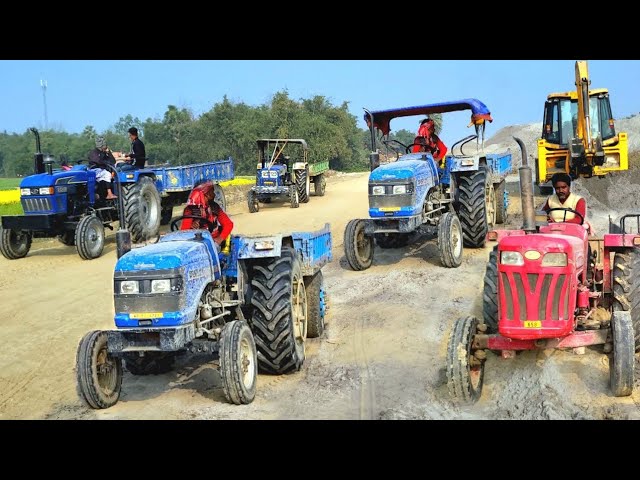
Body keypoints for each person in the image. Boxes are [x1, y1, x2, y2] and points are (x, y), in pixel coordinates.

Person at [180, 181, 233, 246]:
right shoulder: (189, 210)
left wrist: (219, 239)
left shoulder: (215, 207)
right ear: (206, 194)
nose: (214, 194)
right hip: (198, 243)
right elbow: (184, 232)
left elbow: (228, 224)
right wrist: (192, 228)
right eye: (212, 191)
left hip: (214, 241)